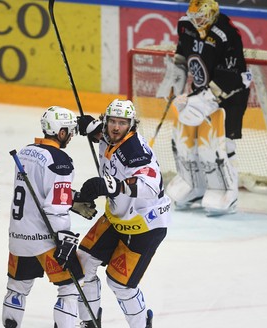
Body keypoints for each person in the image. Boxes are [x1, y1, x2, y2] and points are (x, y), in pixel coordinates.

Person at [76, 99, 171, 328]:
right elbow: (101, 134)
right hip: (116, 217)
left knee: (120, 284)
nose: (116, 127)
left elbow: (151, 186)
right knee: (82, 263)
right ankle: (89, 321)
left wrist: (111, 185)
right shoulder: (108, 134)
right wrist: (90, 127)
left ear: (131, 125)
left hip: (145, 226)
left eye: (122, 123)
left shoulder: (136, 152)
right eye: (113, 122)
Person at [2, 106, 96, 328]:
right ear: (60, 132)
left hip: (18, 235)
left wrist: (72, 199)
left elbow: (42, 190)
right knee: (71, 287)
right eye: (69, 131)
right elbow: (55, 205)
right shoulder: (60, 160)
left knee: (17, 287)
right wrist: (64, 236)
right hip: (44, 240)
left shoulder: (25, 152)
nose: (71, 136)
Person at [156, 0, 252, 215]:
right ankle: (194, 185)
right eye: (194, 16)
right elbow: (182, 57)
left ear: (211, 14)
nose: (196, 21)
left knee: (221, 143)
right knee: (189, 140)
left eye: (200, 17)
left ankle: (226, 191)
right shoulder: (186, 26)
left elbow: (232, 76)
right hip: (200, 91)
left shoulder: (226, 34)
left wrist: (206, 99)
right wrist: (175, 82)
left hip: (230, 96)